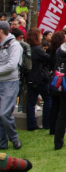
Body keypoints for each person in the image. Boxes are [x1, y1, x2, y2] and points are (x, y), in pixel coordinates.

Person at [0, 21, 23, 150]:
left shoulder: (14, 45)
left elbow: (12, 65)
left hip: (9, 82)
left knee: (4, 113)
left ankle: (14, 138)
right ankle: (2, 143)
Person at [25, 28, 52, 131]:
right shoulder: (37, 48)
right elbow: (48, 58)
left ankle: (31, 124)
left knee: (31, 101)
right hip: (39, 78)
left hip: (30, 77)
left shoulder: (28, 48)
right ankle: (47, 123)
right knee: (47, 98)